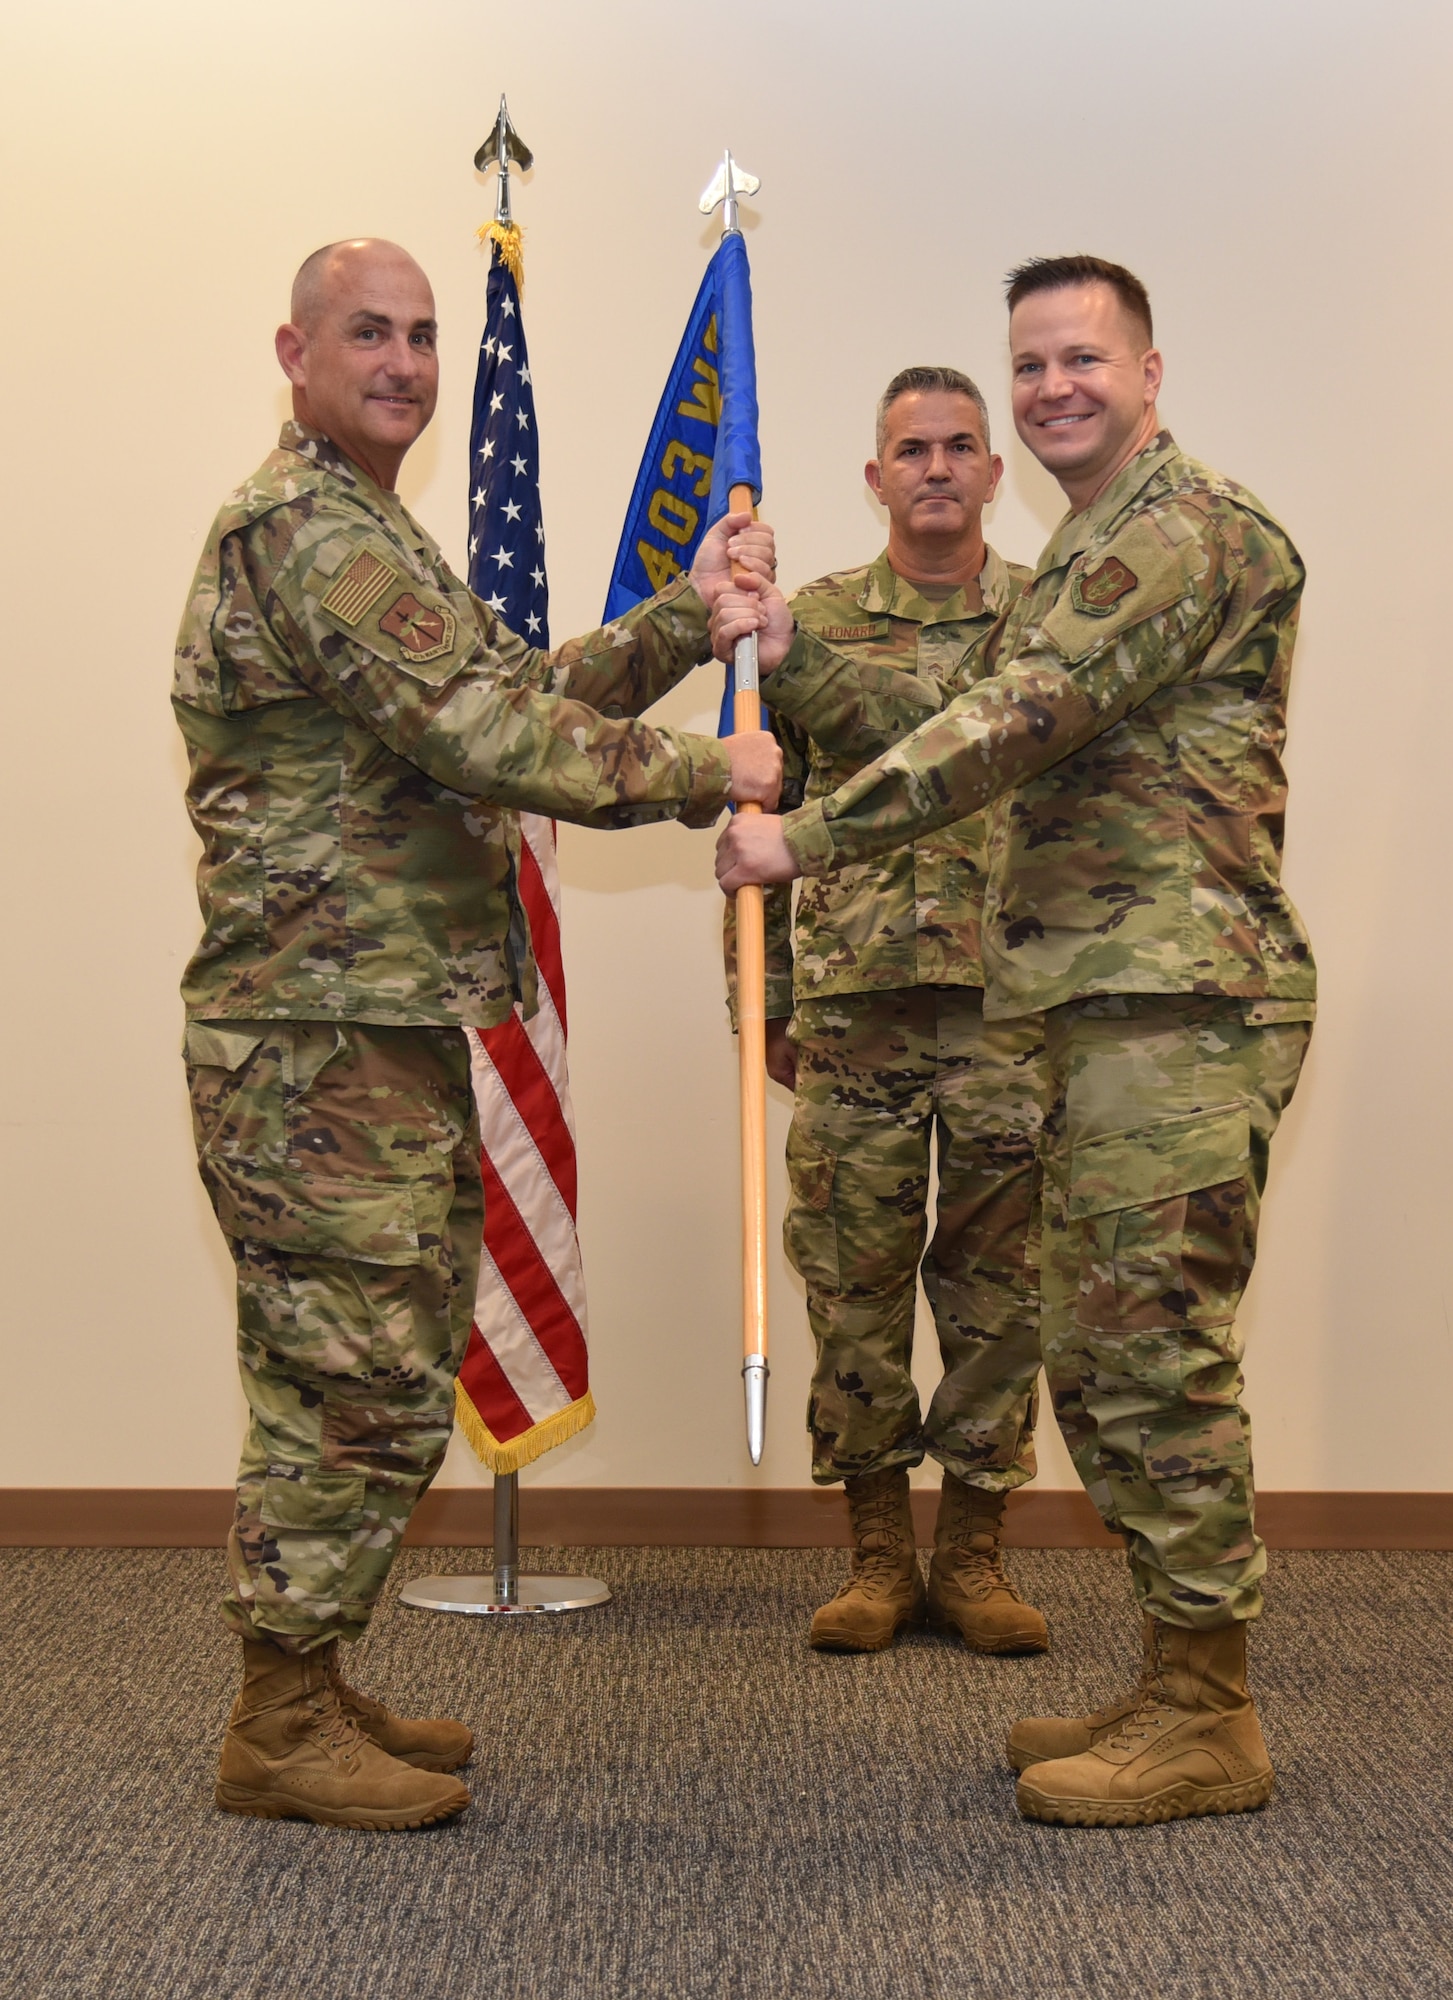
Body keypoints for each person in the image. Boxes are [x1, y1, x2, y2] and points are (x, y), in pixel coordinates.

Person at [175, 237, 781, 1830]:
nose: (402, 361)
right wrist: (710, 775)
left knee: (367, 1367)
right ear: (293, 352)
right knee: (345, 1383)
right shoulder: (306, 531)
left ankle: (307, 1682)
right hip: (320, 1042)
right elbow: (496, 734)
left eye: (425, 336)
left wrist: (679, 620)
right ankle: (276, 1722)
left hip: (377, 1028)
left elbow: (507, 680)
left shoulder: (368, 530)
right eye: (366, 332)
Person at [713, 254, 1314, 1827]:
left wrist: (805, 840)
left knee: (1148, 1360)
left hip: (1172, 1008)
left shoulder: (1176, 534)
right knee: (1115, 1358)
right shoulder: (1087, 546)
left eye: (1080, 360)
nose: (1053, 386)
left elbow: (1006, 722)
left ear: (1148, 371)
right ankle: (1181, 1682)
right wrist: (788, 655)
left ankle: (1210, 1719)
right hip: (1106, 1009)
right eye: (1030, 361)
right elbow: (966, 704)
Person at [725, 368, 1048, 1656]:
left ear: (992, 471)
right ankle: (874, 1555)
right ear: (874, 475)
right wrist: (768, 1006)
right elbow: (763, 822)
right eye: (909, 449)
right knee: (853, 1287)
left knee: (997, 1291)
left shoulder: (1044, 621)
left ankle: (970, 1555)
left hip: (1007, 1010)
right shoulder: (810, 627)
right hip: (852, 1011)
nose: (934, 469)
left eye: (959, 447)